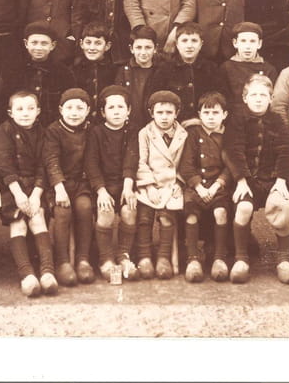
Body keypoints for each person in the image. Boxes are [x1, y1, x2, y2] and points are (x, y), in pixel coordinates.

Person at [222, 75, 289, 284]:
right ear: (245, 98)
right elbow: (232, 150)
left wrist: (281, 181)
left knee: (284, 207)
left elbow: (288, 150)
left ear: (271, 98)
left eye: (263, 95)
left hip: (272, 180)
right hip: (246, 181)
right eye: (254, 95)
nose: (258, 99)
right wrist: (241, 180)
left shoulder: (278, 121)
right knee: (243, 207)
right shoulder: (237, 121)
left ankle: (283, 259)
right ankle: (241, 259)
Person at [0, 90, 57, 297]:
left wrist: (36, 194)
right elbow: (3, 164)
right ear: (10, 113)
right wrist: (18, 194)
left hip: (36, 186)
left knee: (38, 218)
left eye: (30, 108)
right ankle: (26, 275)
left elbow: (44, 166)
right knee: (18, 222)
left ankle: (47, 272)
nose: (25, 113)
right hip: (12, 186)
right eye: (19, 109)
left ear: (38, 111)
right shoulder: (4, 131)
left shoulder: (43, 133)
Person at [84, 86, 141, 281]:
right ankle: (106, 258)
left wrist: (128, 187)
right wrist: (101, 191)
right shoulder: (96, 132)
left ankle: (124, 255)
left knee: (129, 210)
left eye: (121, 107)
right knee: (106, 211)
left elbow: (131, 160)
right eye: (111, 107)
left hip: (125, 183)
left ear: (129, 110)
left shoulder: (132, 131)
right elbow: (91, 164)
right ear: (102, 112)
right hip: (102, 185)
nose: (116, 112)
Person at [178, 91, 233, 282]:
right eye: (206, 113)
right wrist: (198, 186)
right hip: (196, 186)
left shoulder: (228, 136)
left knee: (221, 212)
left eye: (215, 113)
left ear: (224, 115)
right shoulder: (193, 135)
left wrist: (217, 185)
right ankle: (193, 258)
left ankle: (219, 257)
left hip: (218, 185)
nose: (211, 117)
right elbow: (186, 165)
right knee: (191, 213)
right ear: (199, 115)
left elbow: (231, 165)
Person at [134, 90, 188, 279]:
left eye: (169, 112)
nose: (164, 117)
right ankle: (144, 256)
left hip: (172, 185)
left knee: (167, 216)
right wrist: (149, 186)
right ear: (151, 113)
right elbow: (140, 162)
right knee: (144, 216)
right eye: (159, 112)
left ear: (177, 113)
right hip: (149, 183)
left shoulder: (183, 135)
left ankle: (164, 257)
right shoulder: (145, 133)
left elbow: (186, 163)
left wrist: (179, 183)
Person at [44, 88, 95, 285]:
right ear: (60, 110)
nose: (74, 113)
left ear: (88, 110)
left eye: (80, 108)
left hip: (81, 183)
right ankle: (63, 261)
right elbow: (51, 161)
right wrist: (59, 187)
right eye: (69, 108)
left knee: (84, 207)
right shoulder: (53, 131)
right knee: (62, 212)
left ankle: (83, 259)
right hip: (58, 185)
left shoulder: (91, 130)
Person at [147, 22, 217, 123]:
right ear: (177, 44)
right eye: (184, 41)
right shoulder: (165, 69)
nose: (189, 45)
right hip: (173, 124)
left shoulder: (211, 69)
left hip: (203, 124)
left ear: (201, 44)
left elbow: (218, 101)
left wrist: (200, 120)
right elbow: (153, 101)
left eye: (194, 41)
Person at [16, 20, 76, 127]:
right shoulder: (16, 71)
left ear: (52, 45)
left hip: (52, 128)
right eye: (34, 43)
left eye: (44, 43)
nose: (38, 48)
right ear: (26, 44)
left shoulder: (63, 73)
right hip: (22, 126)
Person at [218, 21, 278, 116]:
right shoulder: (226, 68)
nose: (248, 46)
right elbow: (223, 100)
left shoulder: (269, 69)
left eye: (252, 41)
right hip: (234, 117)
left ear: (259, 44)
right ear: (235, 43)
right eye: (243, 41)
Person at [114, 25, 161, 132]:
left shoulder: (160, 71)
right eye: (139, 47)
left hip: (154, 126)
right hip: (129, 126)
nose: (143, 52)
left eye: (148, 47)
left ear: (155, 48)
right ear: (131, 49)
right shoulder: (123, 71)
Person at [72, 22, 118, 121]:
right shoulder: (74, 69)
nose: (92, 48)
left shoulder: (114, 70)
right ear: (81, 44)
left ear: (107, 46)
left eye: (98, 43)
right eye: (88, 42)